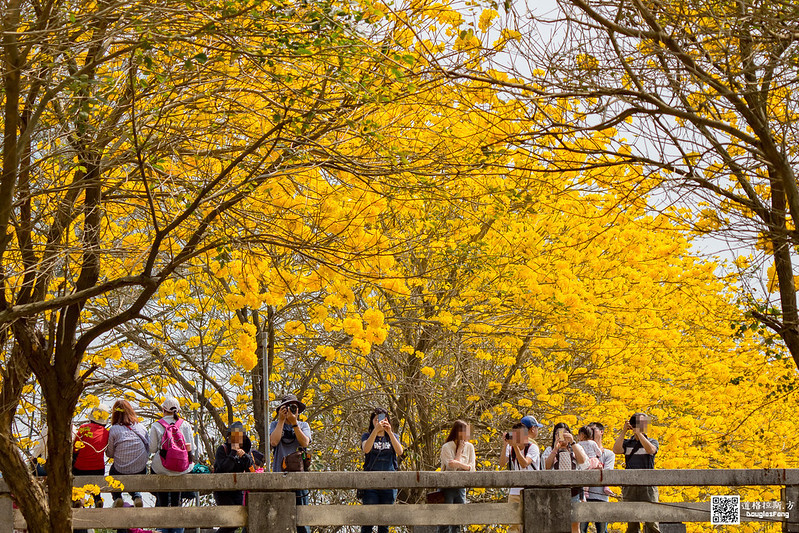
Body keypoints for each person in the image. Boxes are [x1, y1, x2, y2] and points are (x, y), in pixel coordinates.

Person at [149, 397, 195, 533]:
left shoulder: (156, 425)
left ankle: (162, 524)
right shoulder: (185, 425)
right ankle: (176, 526)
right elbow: (193, 447)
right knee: (177, 498)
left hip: (162, 467)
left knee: (162, 498)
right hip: (181, 468)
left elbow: (151, 449)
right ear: (178, 410)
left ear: (163, 410)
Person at [269, 394, 312, 533]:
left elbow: (305, 442)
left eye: (294, 408)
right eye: (288, 407)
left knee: (302, 519)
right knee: (280, 518)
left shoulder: (303, 425)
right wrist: (281, 420)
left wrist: (294, 423)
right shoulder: (275, 425)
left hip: (299, 477)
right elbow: (273, 442)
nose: (292, 410)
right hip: (280, 476)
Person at [359, 406, 404, 533]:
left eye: (383, 419)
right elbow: (366, 449)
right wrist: (376, 431)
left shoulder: (393, 436)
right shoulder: (367, 436)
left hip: (389, 483)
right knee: (368, 520)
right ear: (372, 422)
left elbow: (400, 451)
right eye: (376, 420)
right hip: (370, 484)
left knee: (384, 523)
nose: (379, 422)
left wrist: (389, 432)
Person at [613, 413, 659, 533]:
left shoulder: (652, 441)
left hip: (648, 486)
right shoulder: (627, 443)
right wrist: (624, 431)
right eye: (641, 423)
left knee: (652, 521)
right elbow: (616, 450)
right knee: (632, 521)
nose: (645, 426)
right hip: (630, 486)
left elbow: (651, 450)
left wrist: (639, 433)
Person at [499, 415, 543, 533]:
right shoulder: (511, 448)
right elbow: (502, 463)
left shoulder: (532, 448)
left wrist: (515, 447)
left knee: (530, 523)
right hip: (515, 491)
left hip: (531, 490)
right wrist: (505, 445)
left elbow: (524, 463)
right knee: (513, 524)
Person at [542, 422, 589, 533]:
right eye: (558, 434)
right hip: (555, 491)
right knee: (555, 523)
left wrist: (572, 442)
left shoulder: (576, 448)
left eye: (564, 433)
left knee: (574, 523)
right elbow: (546, 467)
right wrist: (555, 448)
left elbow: (583, 462)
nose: (562, 436)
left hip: (574, 491)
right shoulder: (550, 450)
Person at [106, 400, 149, 508]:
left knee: (112, 473)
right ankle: (137, 496)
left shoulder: (114, 429)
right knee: (135, 471)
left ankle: (117, 497)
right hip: (140, 471)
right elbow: (148, 449)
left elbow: (110, 454)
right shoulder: (141, 427)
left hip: (121, 471)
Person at [213, 421, 254, 533]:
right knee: (231, 522)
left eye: (239, 437)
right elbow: (225, 468)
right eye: (233, 437)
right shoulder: (223, 450)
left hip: (237, 491)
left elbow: (251, 468)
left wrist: (244, 457)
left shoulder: (245, 450)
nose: (236, 440)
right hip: (222, 491)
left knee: (237, 521)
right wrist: (232, 453)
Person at [438, 420, 475, 533]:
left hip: (461, 487)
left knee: (458, 522)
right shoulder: (447, 447)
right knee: (445, 522)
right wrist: (459, 452)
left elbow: (472, 468)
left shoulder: (470, 447)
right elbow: (451, 468)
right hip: (446, 487)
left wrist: (458, 464)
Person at [580, 422, 615, 533]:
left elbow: (607, 473)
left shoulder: (609, 454)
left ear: (601, 432)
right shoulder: (581, 450)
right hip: (584, 498)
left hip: (601, 497)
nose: (591, 433)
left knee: (602, 530)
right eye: (589, 430)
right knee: (581, 529)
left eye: (593, 430)